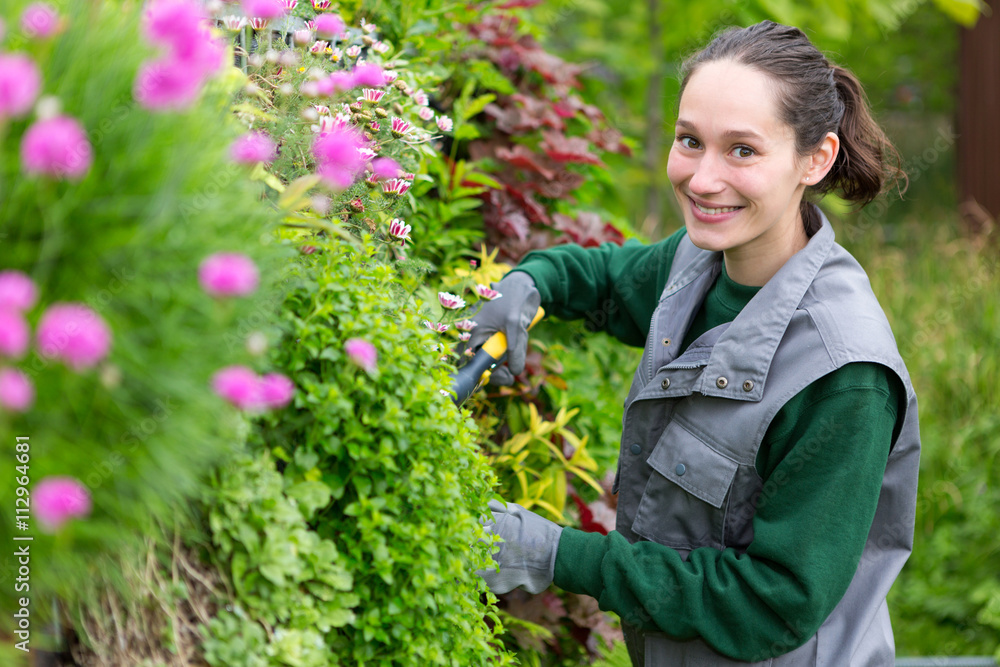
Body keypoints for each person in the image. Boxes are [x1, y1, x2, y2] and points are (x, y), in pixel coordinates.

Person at [469, 20, 920, 667]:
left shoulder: (840, 372)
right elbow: (604, 278)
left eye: (742, 150)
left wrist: (561, 553)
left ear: (814, 158)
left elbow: (774, 602)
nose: (703, 179)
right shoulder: (701, 260)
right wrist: (529, 283)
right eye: (690, 141)